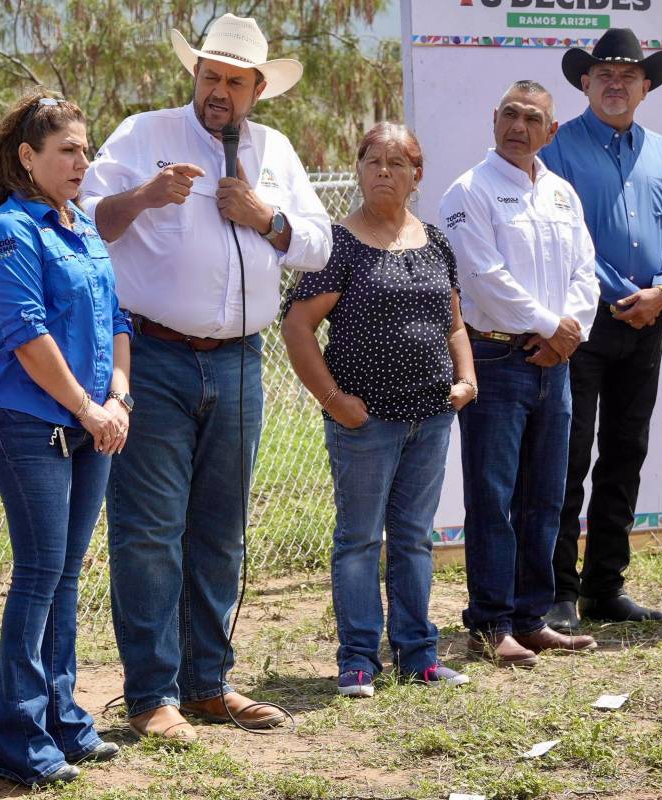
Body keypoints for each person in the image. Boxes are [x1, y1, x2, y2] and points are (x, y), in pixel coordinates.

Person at [80, 14, 331, 738]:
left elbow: (315, 244)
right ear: (195, 76)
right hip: (152, 357)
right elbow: (90, 217)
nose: (218, 91)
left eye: (234, 81)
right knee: (150, 531)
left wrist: (267, 216)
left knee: (220, 531)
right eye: (209, 76)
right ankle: (152, 694)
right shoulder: (143, 134)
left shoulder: (275, 150)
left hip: (239, 359)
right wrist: (146, 196)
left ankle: (209, 685)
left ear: (257, 90)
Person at [282, 123, 477, 698]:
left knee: (414, 537)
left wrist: (466, 377)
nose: (383, 171)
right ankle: (359, 660)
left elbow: (455, 322)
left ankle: (419, 655)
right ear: (359, 168)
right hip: (364, 424)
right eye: (372, 161)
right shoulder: (337, 244)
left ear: (418, 175)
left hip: (431, 417)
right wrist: (335, 401)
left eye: (397, 162)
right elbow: (297, 326)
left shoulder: (436, 241)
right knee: (361, 539)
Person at [0, 90, 132, 785]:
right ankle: (19, 737)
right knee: (39, 576)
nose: (81, 161)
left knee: (65, 576)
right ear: (26, 157)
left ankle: (64, 719)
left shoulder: (85, 226)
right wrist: (89, 411)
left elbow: (119, 318)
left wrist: (118, 397)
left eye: (85, 149)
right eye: (67, 149)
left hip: (93, 423)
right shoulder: (11, 231)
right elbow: (28, 336)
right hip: (29, 426)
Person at [540, 28, 662, 629]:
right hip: (580, 325)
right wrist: (623, 294)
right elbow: (568, 236)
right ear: (585, 83)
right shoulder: (556, 150)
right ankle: (558, 588)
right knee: (569, 455)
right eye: (604, 74)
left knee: (625, 453)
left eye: (627, 75)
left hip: (648, 323)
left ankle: (605, 588)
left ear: (645, 86)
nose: (615, 83)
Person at [439, 81, 600, 668]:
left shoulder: (562, 194)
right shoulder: (469, 192)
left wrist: (569, 331)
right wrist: (548, 325)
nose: (519, 126)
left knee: (546, 496)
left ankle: (531, 619)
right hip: (496, 358)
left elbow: (586, 269)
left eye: (533, 118)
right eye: (510, 113)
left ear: (550, 132)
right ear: (494, 118)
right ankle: (491, 622)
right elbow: (481, 276)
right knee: (493, 495)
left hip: (553, 363)